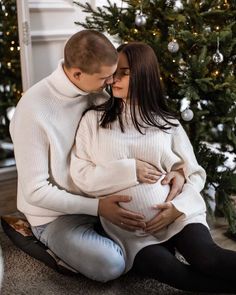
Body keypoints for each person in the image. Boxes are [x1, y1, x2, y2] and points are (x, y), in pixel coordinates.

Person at [10, 30, 184, 282]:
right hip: (55, 214)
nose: (112, 81)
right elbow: (35, 191)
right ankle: (33, 239)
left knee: (164, 243)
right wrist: (97, 207)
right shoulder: (33, 110)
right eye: (106, 77)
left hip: (99, 197)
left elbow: (141, 131)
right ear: (77, 73)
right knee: (111, 265)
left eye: (113, 74)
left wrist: (178, 169)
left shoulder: (95, 90)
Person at [70, 42, 236, 293]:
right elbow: (80, 175)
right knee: (172, 272)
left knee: (208, 259)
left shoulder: (166, 123)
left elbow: (194, 173)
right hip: (131, 233)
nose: (114, 78)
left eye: (124, 72)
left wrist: (177, 207)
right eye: (114, 70)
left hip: (179, 217)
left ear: (144, 73)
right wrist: (130, 169)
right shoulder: (93, 121)